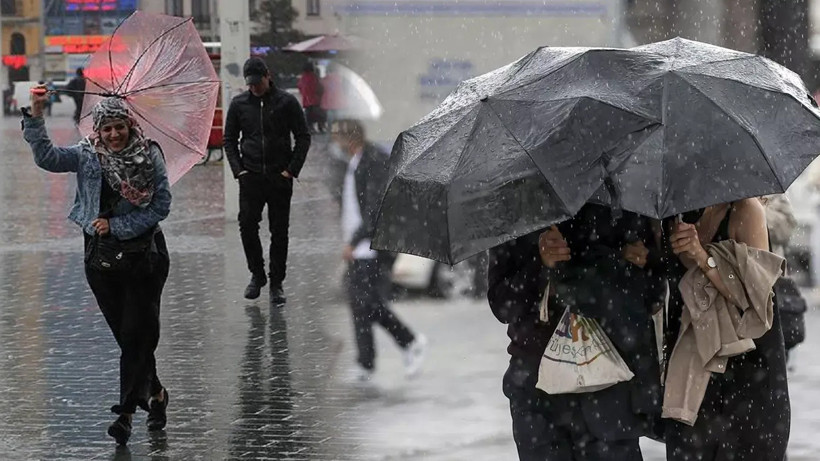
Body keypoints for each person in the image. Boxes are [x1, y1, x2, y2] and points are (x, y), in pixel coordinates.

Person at [22, 90, 172, 445]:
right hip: (100, 258)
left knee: (137, 330)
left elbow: (161, 205)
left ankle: (125, 415)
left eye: (119, 126)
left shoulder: (149, 155)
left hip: (144, 257)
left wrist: (118, 226)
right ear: (98, 131)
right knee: (126, 334)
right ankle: (158, 393)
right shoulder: (88, 155)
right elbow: (47, 157)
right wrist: (36, 113)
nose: (114, 134)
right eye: (107, 129)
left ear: (129, 125)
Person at [488, 204, 664, 460]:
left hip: (610, 385)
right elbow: (503, 305)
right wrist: (541, 263)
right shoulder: (514, 208)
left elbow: (652, 293)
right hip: (537, 391)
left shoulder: (622, 197)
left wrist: (628, 262)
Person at [662, 199, 790, 460]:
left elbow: (754, 298)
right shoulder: (677, 213)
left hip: (747, 374)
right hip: (694, 370)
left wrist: (701, 256)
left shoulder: (747, 210)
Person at [331, 119, 426, 381]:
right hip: (360, 249)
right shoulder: (355, 162)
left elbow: (374, 210)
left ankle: (409, 341)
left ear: (349, 138)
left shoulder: (373, 161)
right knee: (359, 304)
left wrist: (354, 240)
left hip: (371, 248)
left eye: (337, 138)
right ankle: (366, 363)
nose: (335, 144)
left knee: (368, 304)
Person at [224, 57, 311, 303]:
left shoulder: (287, 102)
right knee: (247, 227)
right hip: (250, 177)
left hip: (279, 177)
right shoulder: (239, 104)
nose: (254, 88)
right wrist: (238, 171)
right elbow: (229, 140)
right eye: (250, 84)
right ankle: (257, 274)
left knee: (279, 231)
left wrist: (291, 170)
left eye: (258, 82)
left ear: (268, 75)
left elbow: (303, 137)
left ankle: (276, 283)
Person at [297, 62, 324, 133]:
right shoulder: (314, 77)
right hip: (315, 99)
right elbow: (318, 87)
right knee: (318, 115)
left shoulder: (303, 77)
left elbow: (300, 87)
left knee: (308, 116)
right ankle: (320, 127)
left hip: (306, 100)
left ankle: (310, 128)